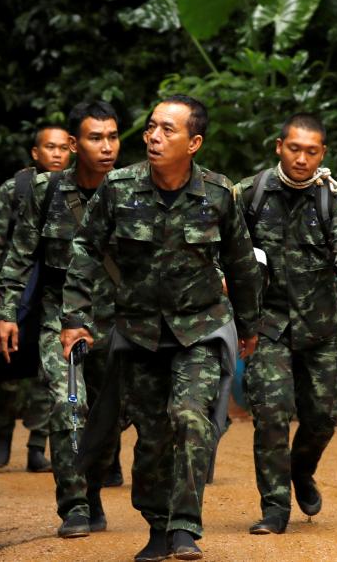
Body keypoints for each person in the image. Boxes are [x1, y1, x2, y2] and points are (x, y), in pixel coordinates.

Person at [61, 95, 262, 561]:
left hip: (200, 330)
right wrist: (74, 317)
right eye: (151, 127)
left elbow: (241, 263)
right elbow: (85, 251)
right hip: (140, 334)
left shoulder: (218, 193)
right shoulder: (118, 188)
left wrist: (249, 324)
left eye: (167, 130)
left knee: (191, 420)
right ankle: (157, 526)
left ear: (193, 143)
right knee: (151, 439)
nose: (153, 137)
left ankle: (185, 527)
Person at [0, 103, 122, 538]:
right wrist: (5, 313)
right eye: (95, 138)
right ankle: (75, 506)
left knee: (109, 416)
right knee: (70, 405)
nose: (106, 147)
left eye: (112, 137)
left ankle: (94, 489)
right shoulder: (46, 192)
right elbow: (19, 256)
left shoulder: (130, 191)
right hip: (58, 317)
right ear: (73, 144)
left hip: (115, 320)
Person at [234, 114, 337, 535]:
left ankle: (301, 469)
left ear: (322, 154)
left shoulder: (335, 199)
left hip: (319, 329)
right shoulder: (249, 194)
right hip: (268, 324)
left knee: (324, 414)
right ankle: (274, 508)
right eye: (295, 149)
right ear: (279, 147)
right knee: (271, 413)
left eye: (311, 152)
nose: (302, 158)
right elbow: (223, 243)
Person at [0, 124, 72, 474]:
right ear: (36, 153)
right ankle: (2, 430)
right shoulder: (15, 190)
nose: (57, 154)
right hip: (16, 292)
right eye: (50, 147)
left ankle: (36, 446)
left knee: (50, 373)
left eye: (63, 147)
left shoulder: (79, 188)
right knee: (10, 370)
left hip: (54, 292)